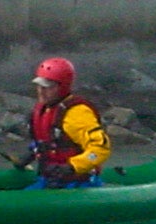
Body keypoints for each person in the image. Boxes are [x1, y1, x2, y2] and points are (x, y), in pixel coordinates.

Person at [24, 57, 110, 189]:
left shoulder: (77, 114)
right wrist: (31, 153)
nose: (41, 91)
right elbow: (50, 141)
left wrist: (72, 166)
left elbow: (100, 148)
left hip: (79, 183)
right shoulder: (45, 109)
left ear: (62, 86)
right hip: (51, 180)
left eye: (48, 87)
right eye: (39, 86)